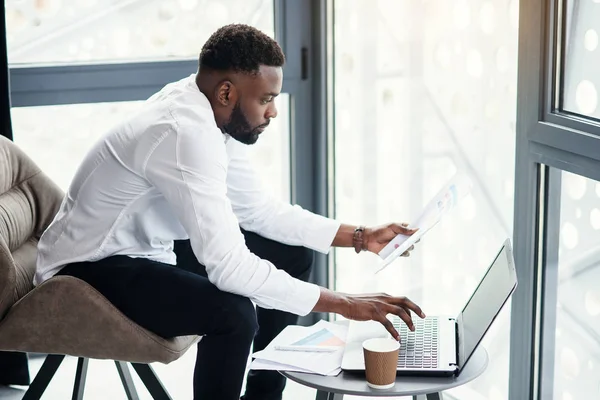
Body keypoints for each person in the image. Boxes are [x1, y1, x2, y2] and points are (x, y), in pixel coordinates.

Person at [34, 24, 424, 400]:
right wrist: (344, 302)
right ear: (226, 92)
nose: (273, 112)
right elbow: (229, 268)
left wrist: (361, 237)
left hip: (142, 248)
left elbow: (258, 211)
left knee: (291, 255)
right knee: (233, 314)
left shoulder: (211, 114)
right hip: (90, 268)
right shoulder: (185, 133)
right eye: (266, 99)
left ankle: (262, 395)